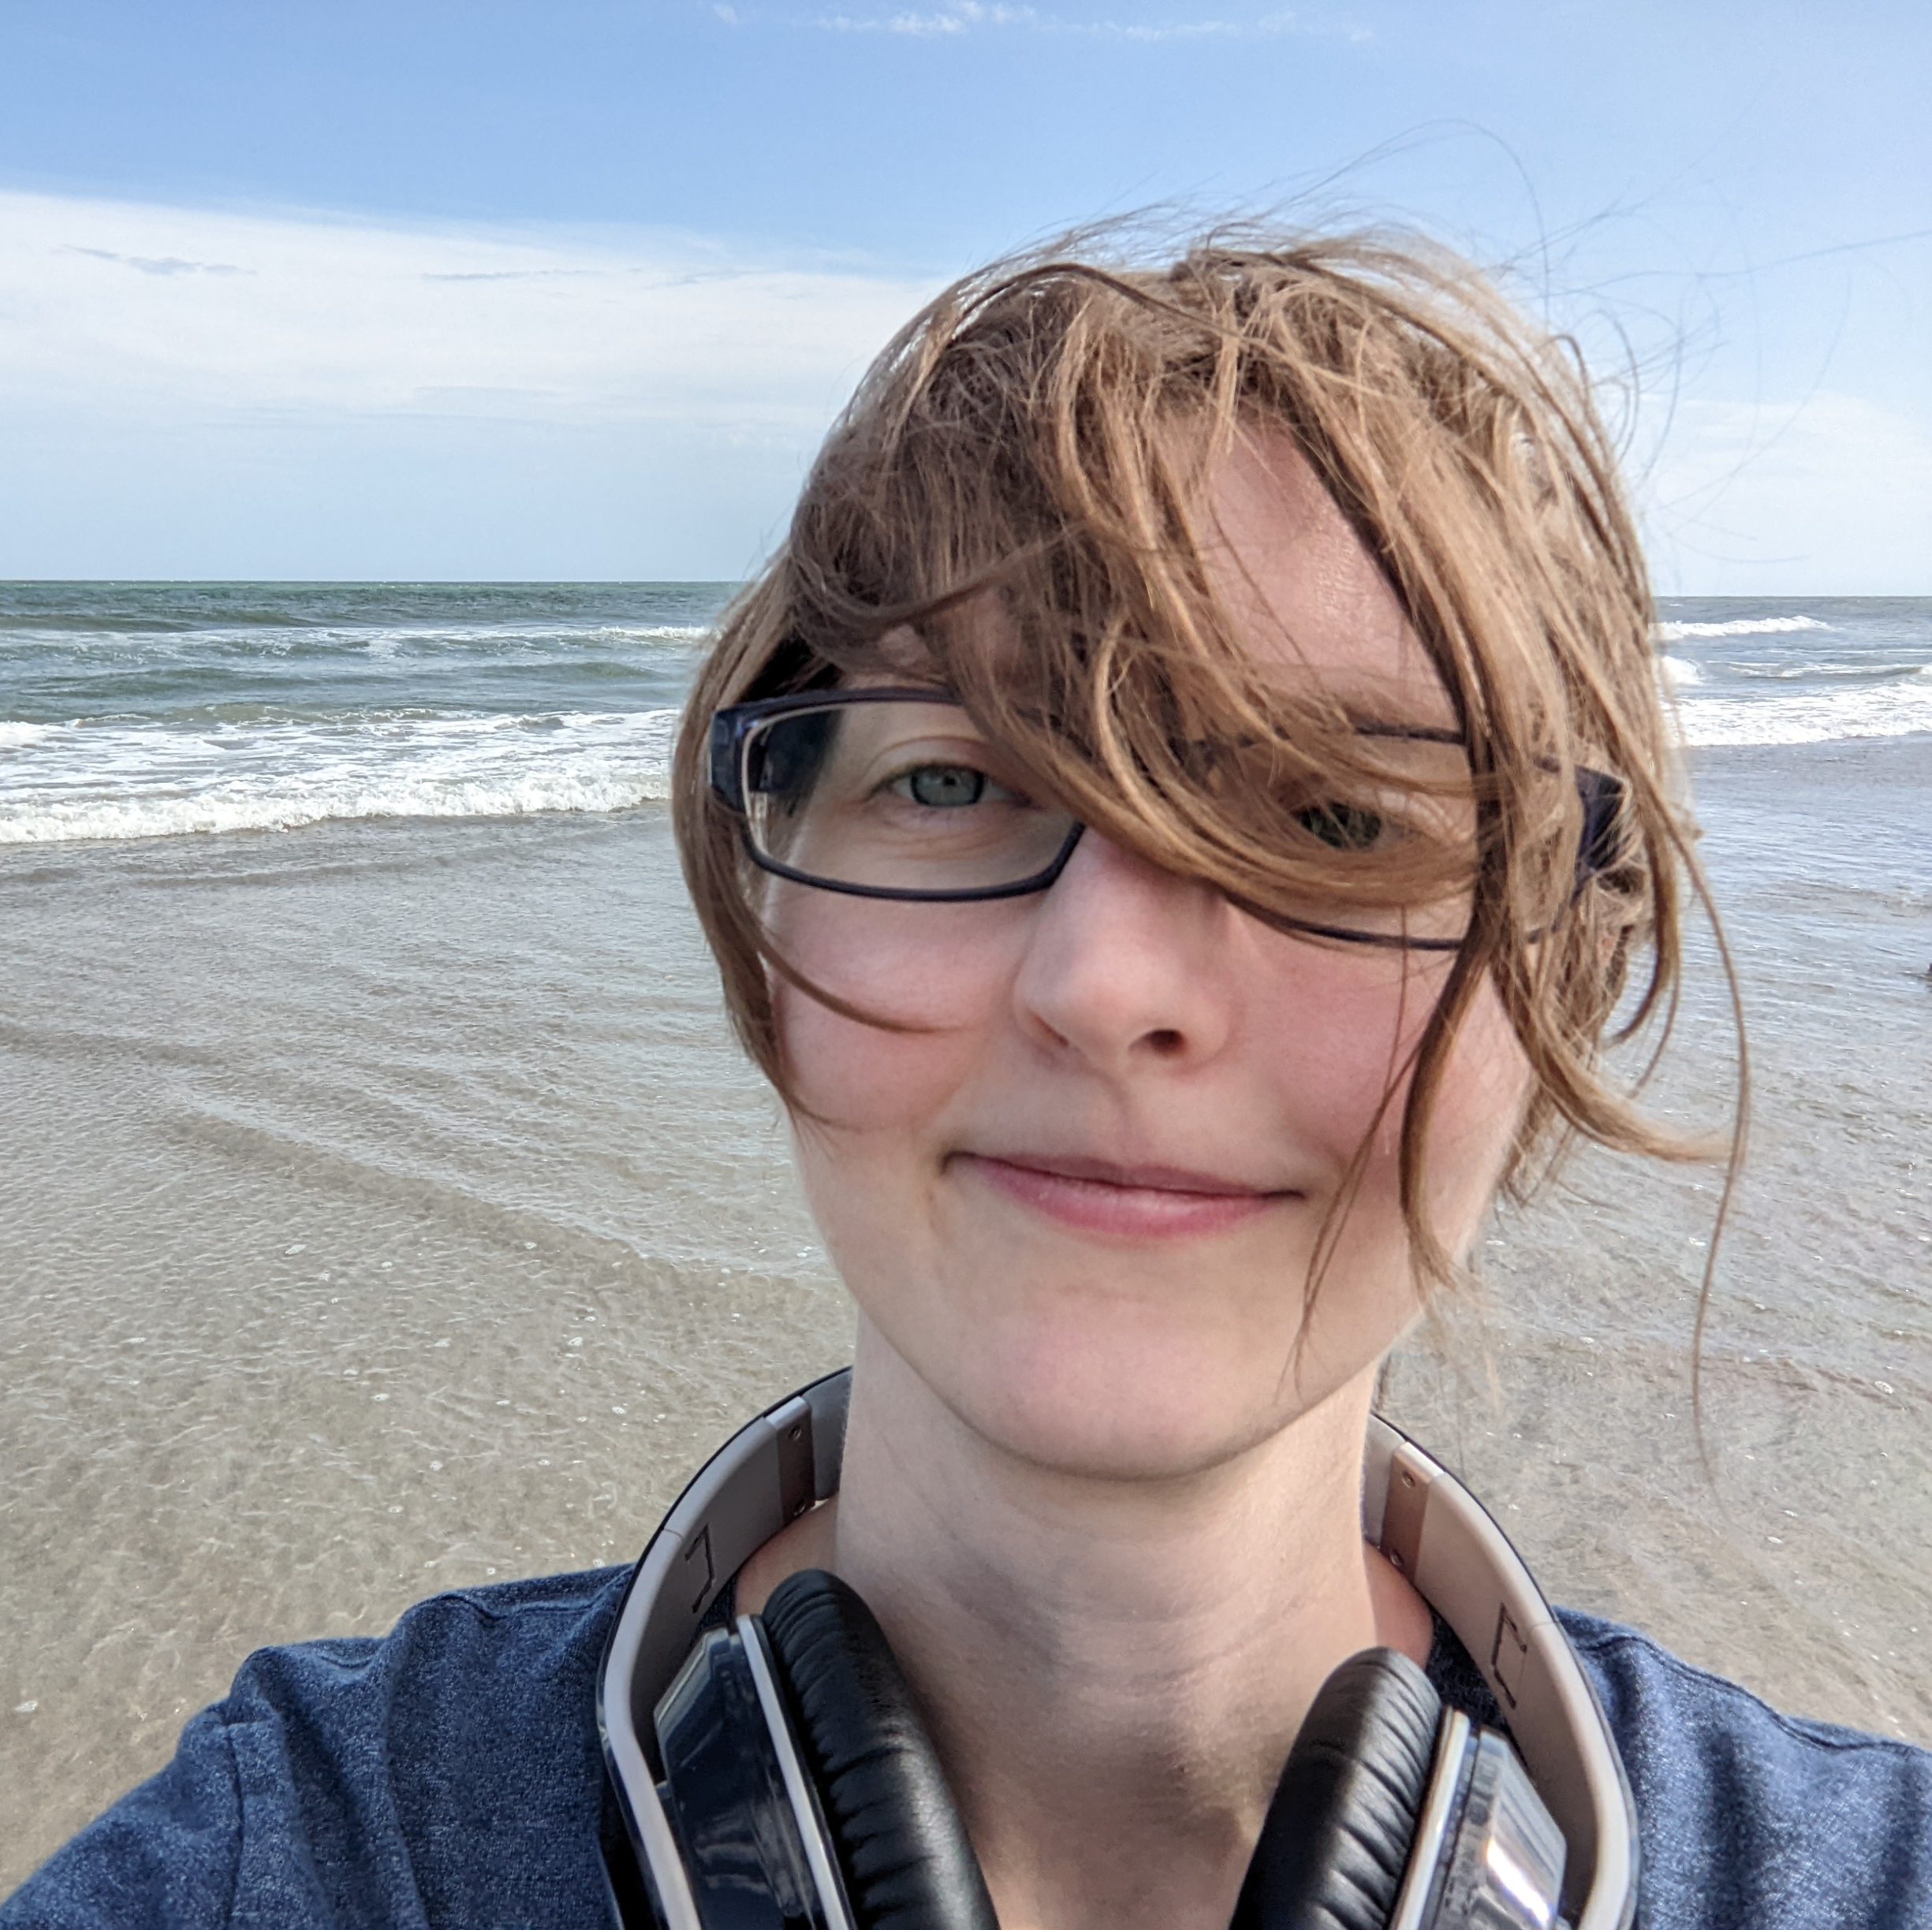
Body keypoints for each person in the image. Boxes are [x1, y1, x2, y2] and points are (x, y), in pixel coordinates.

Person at [6, 226, 1929, 1930]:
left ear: (1560, 976)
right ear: (768, 933)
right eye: (948, 778)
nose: (1105, 983)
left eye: (1336, 815)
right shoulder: (311, 1855)